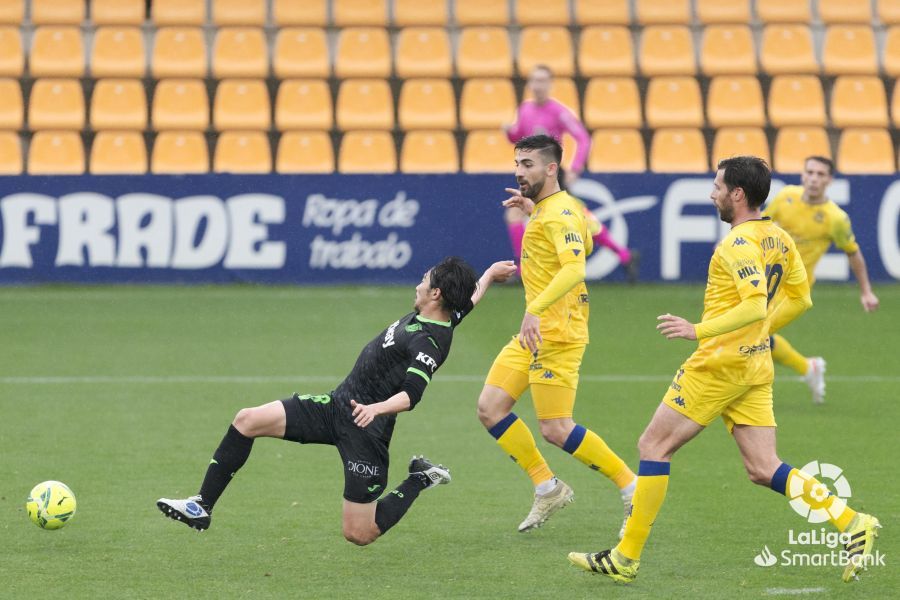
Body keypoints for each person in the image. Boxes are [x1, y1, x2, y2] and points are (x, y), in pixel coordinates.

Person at [568, 156, 880, 584]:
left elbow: (754, 303)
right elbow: (801, 297)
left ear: (737, 194)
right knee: (763, 467)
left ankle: (626, 557)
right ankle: (851, 521)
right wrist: (761, 328)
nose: (711, 193)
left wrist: (699, 329)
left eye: (717, 186)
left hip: (718, 366)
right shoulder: (779, 236)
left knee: (653, 446)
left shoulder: (736, 245)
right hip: (755, 364)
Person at [157, 257, 518, 545]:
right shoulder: (442, 313)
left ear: (436, 293)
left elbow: (411, 394)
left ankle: (420, 478)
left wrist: (375, 409)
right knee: (247, 419)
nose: (418, 284)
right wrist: (487, 274)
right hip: (336, 406)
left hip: (366, 430)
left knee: (360, 534)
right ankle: (201, 506)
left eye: (424, 280)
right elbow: (466, 303)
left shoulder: (430, 341)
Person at [478, 134, 636, 534]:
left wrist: (534, 308)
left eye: (528, 163)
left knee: (556, 427)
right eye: (517, 163)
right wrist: (534, 208)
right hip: (534, 332)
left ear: (552, 168)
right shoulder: (551, 209)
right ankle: (547, 487)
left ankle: (632, 486)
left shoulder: (561, 213)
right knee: (490, 408)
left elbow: (574, 268)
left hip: (558, 333)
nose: (519, 170)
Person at [504, 65, 638, 281]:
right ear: (530, 84)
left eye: (542, 81)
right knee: (566, 214)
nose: (538, 86)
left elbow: (583, 138)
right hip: (532, 174)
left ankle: (523, 269)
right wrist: (509, 133)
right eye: (535, 81)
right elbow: (519, 137)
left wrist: (575, 168)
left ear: (550, 84)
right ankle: (624, 255)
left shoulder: (558, 112)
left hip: (550, 174)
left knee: (560, 215)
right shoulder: (524, 109)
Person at [762, 156, 880, 404]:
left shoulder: (834, 218)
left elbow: (853, 252)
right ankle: (808, 368)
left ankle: (745, 387)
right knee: (752, 333)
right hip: (766, 279)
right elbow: (761, 225)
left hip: (795, 289)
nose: (814, 179)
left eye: (820, 174)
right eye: (810, 172)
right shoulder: (785, 198)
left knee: (753, 331)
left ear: (829, 180)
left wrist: (866, 291)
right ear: (803, 174)